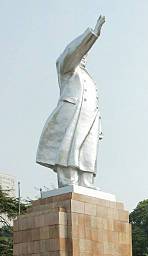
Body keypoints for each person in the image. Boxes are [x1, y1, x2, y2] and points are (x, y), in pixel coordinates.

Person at [36, 16, 106, 188]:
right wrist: (93, 34)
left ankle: (86, 181)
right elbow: (71, 53)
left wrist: (99, 126)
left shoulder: (87, 76)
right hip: (72, 114)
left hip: (90, 119)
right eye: (81, 53)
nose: (83, 56)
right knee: (69, 148)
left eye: (85, 55)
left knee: (88, 151)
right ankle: (68, 181)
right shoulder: (67, 69)